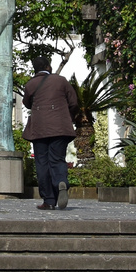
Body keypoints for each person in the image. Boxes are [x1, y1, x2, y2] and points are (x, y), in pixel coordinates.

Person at [23, 50, 81, 210]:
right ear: (49, 66)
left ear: (34, 69)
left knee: (42, 162)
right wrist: (67, 115)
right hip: (60, 128)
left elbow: (27, 104)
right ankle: (60, 181)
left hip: (39, 129)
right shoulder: (61, 81)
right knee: (57, 159)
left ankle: (48, 200)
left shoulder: (30, 84)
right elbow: (74, 102)